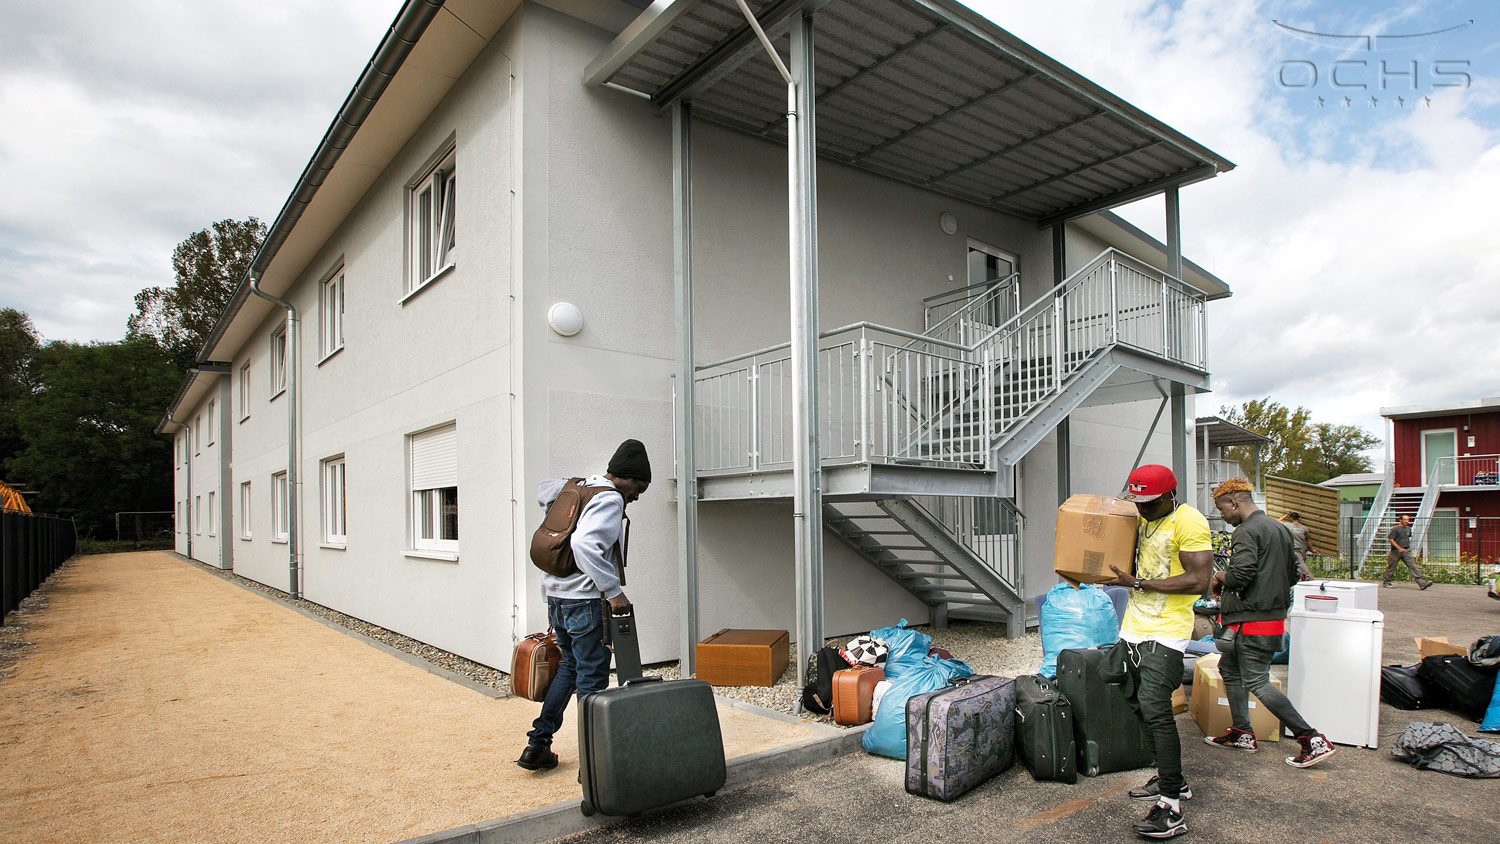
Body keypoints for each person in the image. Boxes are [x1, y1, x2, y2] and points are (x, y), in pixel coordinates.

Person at [517, 439, 651, 772]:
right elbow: (583, 544)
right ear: (627, 477)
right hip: (586, 604)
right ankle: (594, 768)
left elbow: (543, 493)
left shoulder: (576, 487)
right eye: (639, 488)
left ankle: (538, 745)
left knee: (571, 669)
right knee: (592, 681)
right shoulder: (608, 499)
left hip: (557, 598)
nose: (636, 496)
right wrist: (614, 590)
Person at [1103, 464, 1213, 840]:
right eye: (1137, 502)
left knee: (1156, 707)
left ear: (1169, 495)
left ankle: (1171, 807)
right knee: (1135, 703)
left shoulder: (1189, 521)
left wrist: (1139, 582)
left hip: (1167, 632)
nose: (1142, 509)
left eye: (1148, 503)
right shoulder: (1140, 518)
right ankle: (1174, 780)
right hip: (1133, 626)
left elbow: (1200, 580)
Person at [1209, 478, 1338, 769]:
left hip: (1250, 621)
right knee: (1228, 669)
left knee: (1256, 680)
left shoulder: (1246, 531)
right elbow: (1294, 574)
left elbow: (1240, 575)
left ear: (1234, 503)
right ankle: (1242, 733)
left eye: (1221, 508)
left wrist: (1218, 578)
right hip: (1272, 617)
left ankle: (1310, 738)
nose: (1221, 515)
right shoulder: (1279, 528)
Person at [1383, 514, 1432, 590]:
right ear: (1400, 520)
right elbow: (1390, 539)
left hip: (1406, 550)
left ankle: (1422, 583)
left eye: (1408, 520)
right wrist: (1398, 548)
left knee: (1413, 566)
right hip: (1396, 551)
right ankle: (1386, 582)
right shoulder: (1395, 529)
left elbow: (1407, 537)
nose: (1406, 521)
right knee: (1391, 567)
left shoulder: (1408, 529)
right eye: (1405, 519)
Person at [1276, 510, 1317, 581]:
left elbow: (1277, 521)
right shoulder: (1304, 528)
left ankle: (1309, 577)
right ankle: (1301, 579)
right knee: (1301, 563)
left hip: (1295, 548)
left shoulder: (1288, 525)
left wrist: (1286, 515)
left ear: (1291, 518)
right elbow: (1308, 539)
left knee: (1300, 563)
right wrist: (1312, 549)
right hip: (1303, 548)